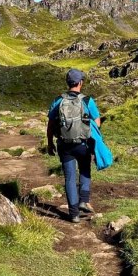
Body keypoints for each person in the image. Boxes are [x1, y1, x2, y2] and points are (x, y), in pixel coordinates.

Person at [47, 68, 101, 223]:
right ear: (80, 83)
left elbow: (50, 126)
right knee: (85, 169)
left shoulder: (58, 100)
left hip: (65, 145)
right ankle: (84, 199)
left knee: (69, 178)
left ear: (68, 82)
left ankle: (74, 214)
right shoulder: (87, 100)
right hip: (83, 144)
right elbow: (96, 123)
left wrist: (50, 144)